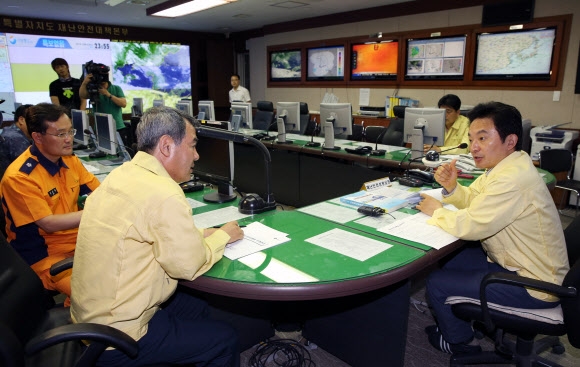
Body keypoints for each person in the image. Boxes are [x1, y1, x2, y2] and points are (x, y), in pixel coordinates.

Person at [71, 106, 243, 367]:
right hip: (119, 336)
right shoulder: (164, 192)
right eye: (192, 145)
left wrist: (203, 233)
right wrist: (222, 237)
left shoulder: (123, 174)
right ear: (166, 146)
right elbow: (189, 265)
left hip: (92, 317)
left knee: (196, 307)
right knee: (225, 339)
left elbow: (146, 229)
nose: (196, 156)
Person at [415, 101, 569, 355]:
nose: (474, 147)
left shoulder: (512, 179)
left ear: (510, 141)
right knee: (453, 258)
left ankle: (460, 343)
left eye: (483, 138)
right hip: (519, 264)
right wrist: (453, 188)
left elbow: (472, 225)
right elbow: (477, 202)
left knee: (437, 282)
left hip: (535, 286)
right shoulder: (503, 167)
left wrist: (437, 211)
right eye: (471, 138)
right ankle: (468, 317)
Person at [0, 103, 100, 307]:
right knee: (95, 295)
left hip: (76, 242)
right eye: (60, 134)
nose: (69, 139)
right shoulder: (20, 177)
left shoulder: (70, 161)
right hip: (44, 255)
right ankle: (86, 333)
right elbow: (48, 223)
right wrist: (98, 210)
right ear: (37, 137)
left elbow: (100, 193)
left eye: (70, 131)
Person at [79, 70, 128, 138]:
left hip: (118, 127)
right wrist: (84, 83)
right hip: (101, 128)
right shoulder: (94, 90)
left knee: (121, 147)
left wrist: (108, 94)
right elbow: (82, 96)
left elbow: (123, 104)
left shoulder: (116, 88)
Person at [0, 104, 33, 179]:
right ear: (21, 120)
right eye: (34, 120)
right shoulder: (15, 138)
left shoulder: (12, 132)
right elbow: (30, 167)